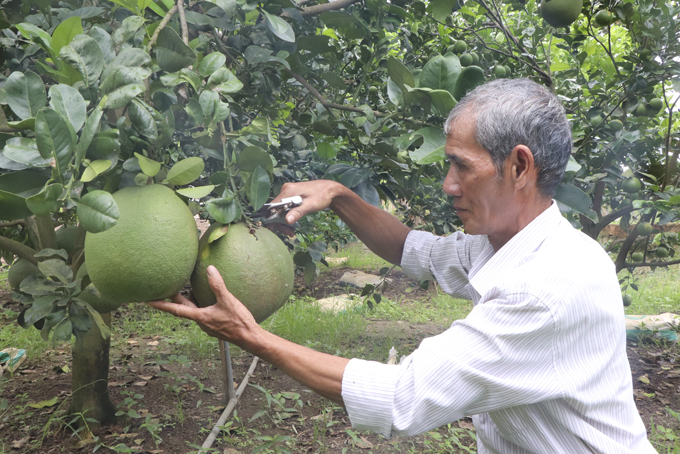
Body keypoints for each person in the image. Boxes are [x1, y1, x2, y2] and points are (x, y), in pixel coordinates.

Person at [148, 78, 656, 453]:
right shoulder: (504, 241)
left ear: (520, 166)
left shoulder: (547, 286)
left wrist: (251, 336)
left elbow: (401, 399)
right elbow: (416, 249)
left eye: (462, 165)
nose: (448, 185)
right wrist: (340, 196)